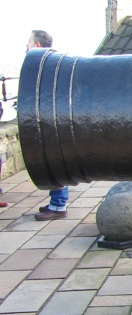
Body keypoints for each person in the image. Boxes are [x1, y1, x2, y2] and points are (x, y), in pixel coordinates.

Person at [26, 30, 69, 221]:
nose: (25, 46)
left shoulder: (43, 67)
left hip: (52, 123)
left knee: (56, 164)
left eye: (28, 42)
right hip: (51, 121)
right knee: (53, 164)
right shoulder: (50, 65)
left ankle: (59, 206)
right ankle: (56, 202)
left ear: (36, 45)